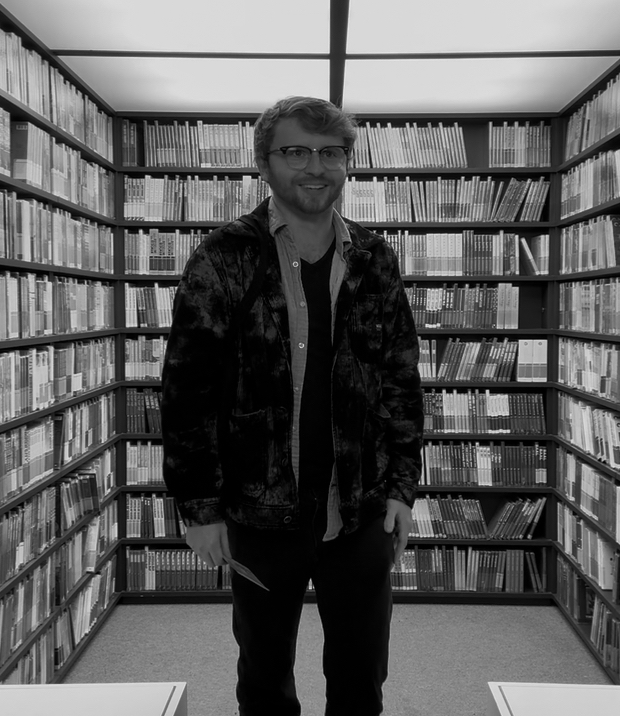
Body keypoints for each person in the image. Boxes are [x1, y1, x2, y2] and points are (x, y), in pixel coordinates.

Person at [160, 95, 424, 716]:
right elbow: (186, 391)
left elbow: (400, 380)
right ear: (264, 162)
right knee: (264, 674)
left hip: (357, 510)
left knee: (362, 677)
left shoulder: (375, 259)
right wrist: (199, 507)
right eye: (296, 151)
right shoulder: (223, 258)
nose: (315, 167)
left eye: (331, 153)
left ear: (347, 164)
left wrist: (401, 488)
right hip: (257, 511)